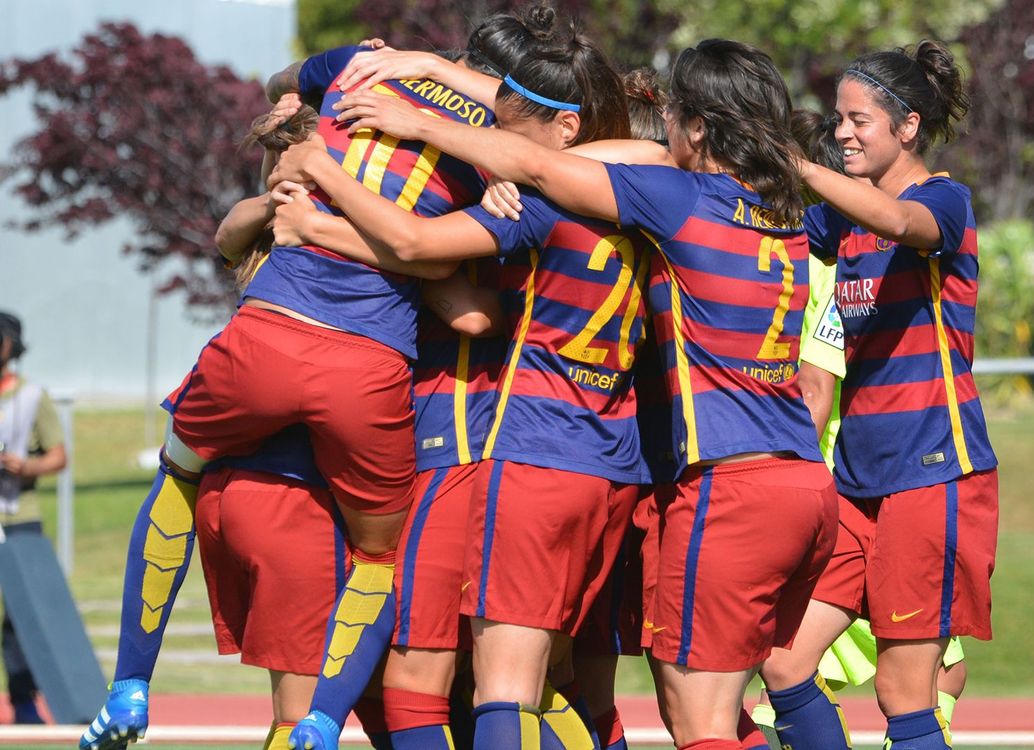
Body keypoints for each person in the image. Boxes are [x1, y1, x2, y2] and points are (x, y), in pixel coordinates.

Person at [325, 37, 840, 749]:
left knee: (562, 698)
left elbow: (479, 203)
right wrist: (459, 87)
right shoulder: (777, 212)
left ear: (699, 127)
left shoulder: (676, 197)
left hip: (697, 478)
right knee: (718, 701)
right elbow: (603, 150)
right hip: (784, 480)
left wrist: (411, 128)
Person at [79, 38, 493, 750]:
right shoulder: (501, 131)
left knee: (177, 469)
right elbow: (466, 306)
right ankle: (324, 724)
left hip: (266, 339)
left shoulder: (357, 67)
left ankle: (129, 686)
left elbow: (278, 102)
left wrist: (302, 129)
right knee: (381, 563)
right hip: (366, 371)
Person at [270, 31, 647, 749]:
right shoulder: (647, 186)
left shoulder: (533, 202)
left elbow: (436, 270)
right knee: (557, 682)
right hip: (603, 456)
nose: (484, 134)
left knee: (435, 678)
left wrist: (319, 205)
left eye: (498, 119)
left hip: (489, 438)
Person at [760, 40, 999, 750]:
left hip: (932, 476)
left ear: (908, 126)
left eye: (857, 119)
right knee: (782, 661)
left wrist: (796, 164)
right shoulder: (840, 219)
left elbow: (899, 223)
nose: (841, 133)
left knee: (903, 692)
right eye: (837, 120)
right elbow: (759, 229)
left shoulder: (942, 201)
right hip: (858, 482)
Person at [0, 311, 67, 726]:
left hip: (18, 518)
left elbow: (59, 456)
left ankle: (23, 700)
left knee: (18, 618)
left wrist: (25, 467)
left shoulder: (31, 397)